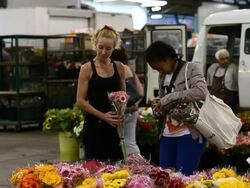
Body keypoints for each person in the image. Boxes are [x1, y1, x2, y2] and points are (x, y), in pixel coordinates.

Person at [145, 41, 208, 175]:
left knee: (184, 177)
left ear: (168, 58)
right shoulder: (162, 76)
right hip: (167, 133)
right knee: (165, 177)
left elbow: (201, 92)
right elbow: (165, 99)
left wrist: (170, 97)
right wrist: (160, 106)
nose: (159, 72)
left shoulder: (191, 68)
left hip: (190, 132)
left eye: (160, 68)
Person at [76, 25, 126, 161]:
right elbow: (80, 100)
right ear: (95, 45)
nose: (103, 52)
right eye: (100, 47)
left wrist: (122, 113)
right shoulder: (87, 69)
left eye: (108, 48)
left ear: (114, 47)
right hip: (94, 125)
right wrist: (103, 116)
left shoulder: (119, 67)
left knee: (116, 168)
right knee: (95, 168)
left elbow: (123, 95)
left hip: (114, 125)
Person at [111, 47, 144, 156]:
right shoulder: (129, 69)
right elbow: (140, 91)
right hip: (133, 110)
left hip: (118, 112)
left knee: (118, 143)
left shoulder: (112, 70)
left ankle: (127, 167)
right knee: (130, 142)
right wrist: (135, 105)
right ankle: (138, 167)